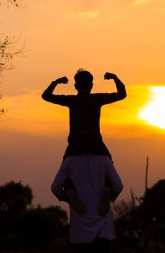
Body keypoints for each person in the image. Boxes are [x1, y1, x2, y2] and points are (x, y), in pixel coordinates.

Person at [44, 69, 126, 252]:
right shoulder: (96, 99)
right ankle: (107, 188)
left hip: (74, 148)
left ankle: (70, 190)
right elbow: (122, 94)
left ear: (75, 86)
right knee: (108, 164)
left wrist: (56, 81)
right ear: (91, 86)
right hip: (97, 146)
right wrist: (115, 78)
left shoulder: (72, 100)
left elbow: (46, 96)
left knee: (66, 174)